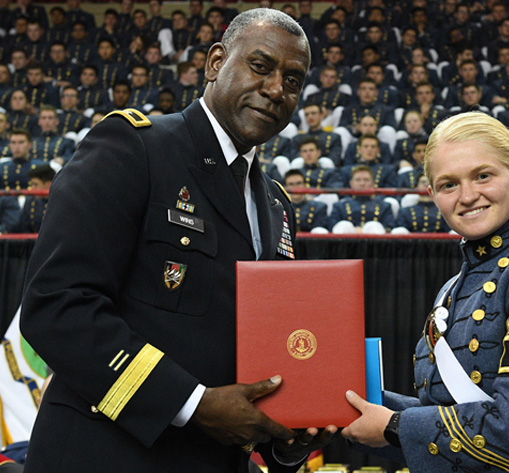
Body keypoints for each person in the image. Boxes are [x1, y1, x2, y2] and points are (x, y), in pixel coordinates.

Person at [19, 9, 334, 471]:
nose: (275, 90)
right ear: (214, 63)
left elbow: (256, 355)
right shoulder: (134, 149)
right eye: (261, 66)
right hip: (105, 456)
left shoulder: (275, 205)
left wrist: (286, 435)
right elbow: (57, 307)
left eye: (292, 79)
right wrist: (192, 403)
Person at [340, 112, 509, 472]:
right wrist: (342, 405)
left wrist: (394, 426)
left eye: (483, 176)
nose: (468, 196)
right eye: (449, 184)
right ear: (432, 195)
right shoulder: (451, 290)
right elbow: (450, 428)